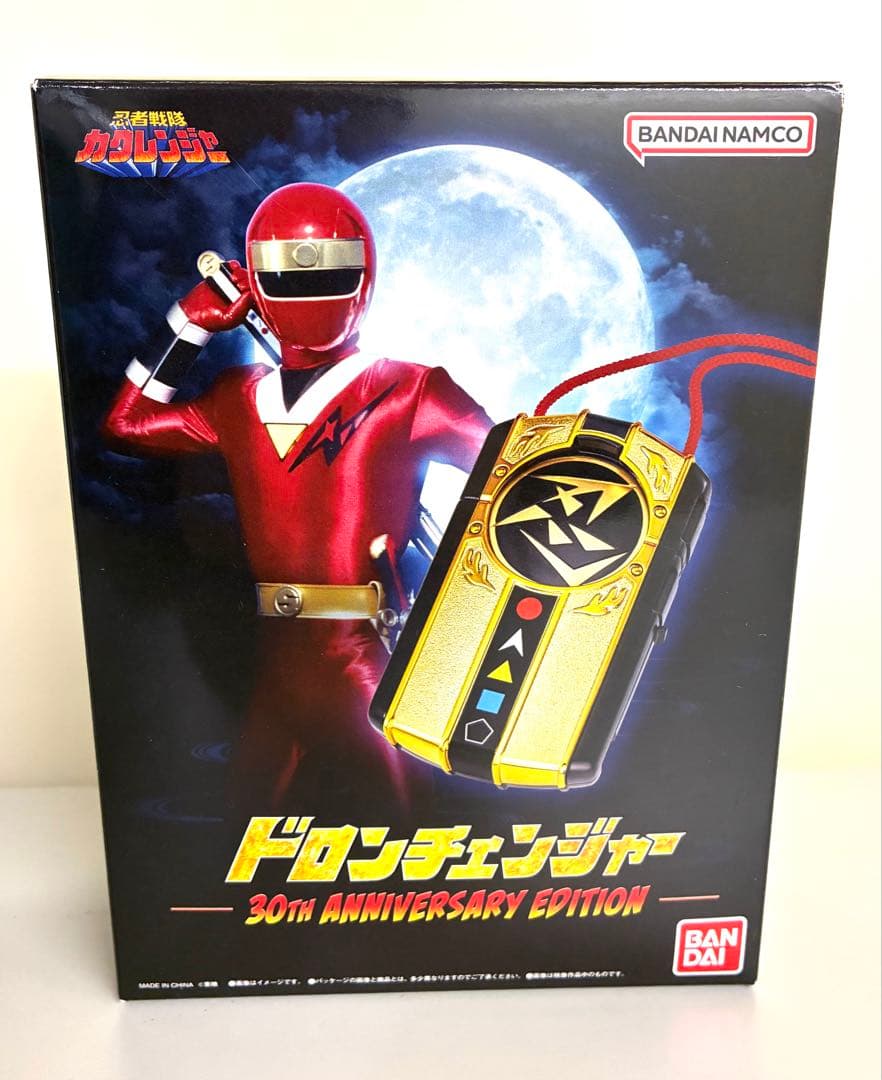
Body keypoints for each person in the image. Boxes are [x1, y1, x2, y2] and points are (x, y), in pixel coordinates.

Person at [104, 182, 492, 812]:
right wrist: (190, 323)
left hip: (367, 659)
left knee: (413, 835)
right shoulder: (238, 396)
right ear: (257, 285)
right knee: (243, 844)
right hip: (277, 665)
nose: (310, 294)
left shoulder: (413, 391)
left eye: (329, 274)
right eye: (288, 278)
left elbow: (520, 477)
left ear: (363, 279)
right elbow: (126, 424)